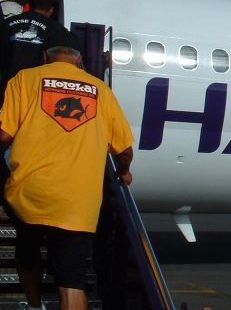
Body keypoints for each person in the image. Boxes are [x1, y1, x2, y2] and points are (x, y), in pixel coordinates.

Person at [0, 30, 134, 310]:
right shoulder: (101, 89)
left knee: (27, 254)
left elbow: (4, 135)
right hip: (78, 200)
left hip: (30, 193)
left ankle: (35, 304)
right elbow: (124, 150)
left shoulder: (25, 79)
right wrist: (124, 171)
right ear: (80, 59)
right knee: (71, 282)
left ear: (44, 55)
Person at [0, 0, 65, 106]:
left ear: (28, 7)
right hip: (38, 90)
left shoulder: (7, 23)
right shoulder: (57, 29)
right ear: (51, 10)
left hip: (6, 87)